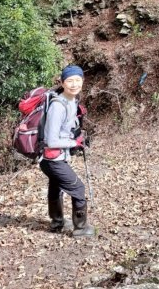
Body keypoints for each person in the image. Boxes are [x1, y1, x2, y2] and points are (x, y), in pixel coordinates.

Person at [39, 64, 95, 237]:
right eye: (70, 81)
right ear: (62, 83)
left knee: (56, 187)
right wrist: (74, 142)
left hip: (56, 158)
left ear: (83, 82)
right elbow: (51, 140)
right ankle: (81, 228)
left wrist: (78, 136)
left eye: (78, 80)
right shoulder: (58, 106)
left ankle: (57, 223)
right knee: (78, 188)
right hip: (52, 160)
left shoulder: (71, 101)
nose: (74, 84)